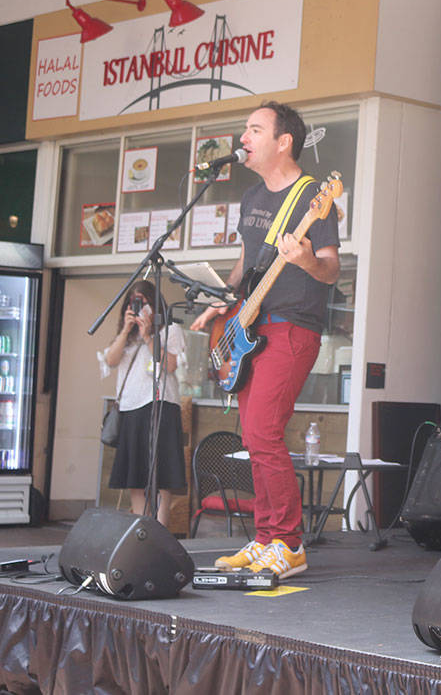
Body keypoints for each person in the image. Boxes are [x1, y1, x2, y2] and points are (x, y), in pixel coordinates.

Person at [191, 101, 340, 579]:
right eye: (245, 129)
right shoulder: (252, 196)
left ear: (284, 141)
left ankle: (289, 544)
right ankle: (265, 538)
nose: (244, 137)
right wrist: (222, 302)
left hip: (292, 326)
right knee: (254, 439)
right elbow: (245, 264)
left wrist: (305, 260)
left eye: (255, 129)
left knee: (262, 433)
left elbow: (331, 268)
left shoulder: (313, 195)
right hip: (249, 326)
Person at [101, 279, 186, 528]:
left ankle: (159, 530)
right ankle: (140, 530)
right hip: (131, 408)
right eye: (134, 303)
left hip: (160, 406)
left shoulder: (170, 330)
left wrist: (149, 335)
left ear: (156, 306)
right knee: (136, 478)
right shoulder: (127, 336)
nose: (139, 309)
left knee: (162, 477)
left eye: (144, 303)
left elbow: (170, 365)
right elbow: (110, 360)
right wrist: (126, 330)